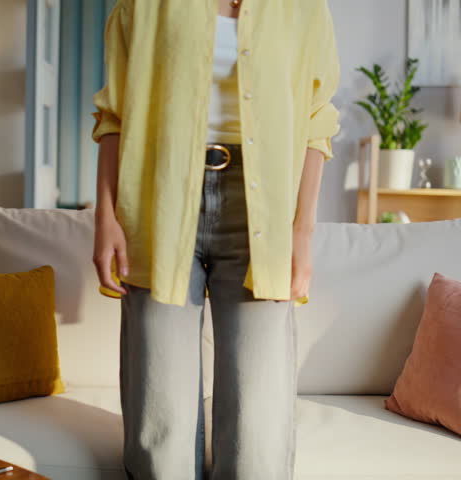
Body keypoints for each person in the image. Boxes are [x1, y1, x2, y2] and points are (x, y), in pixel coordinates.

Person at [91, 0, 340, 478]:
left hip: (263, 212)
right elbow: (114, 114)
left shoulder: (304, 8)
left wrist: (302, 232)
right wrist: (105, 217)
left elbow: (317, 120)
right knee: (159, 429)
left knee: (257, 437)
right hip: (157, 201)